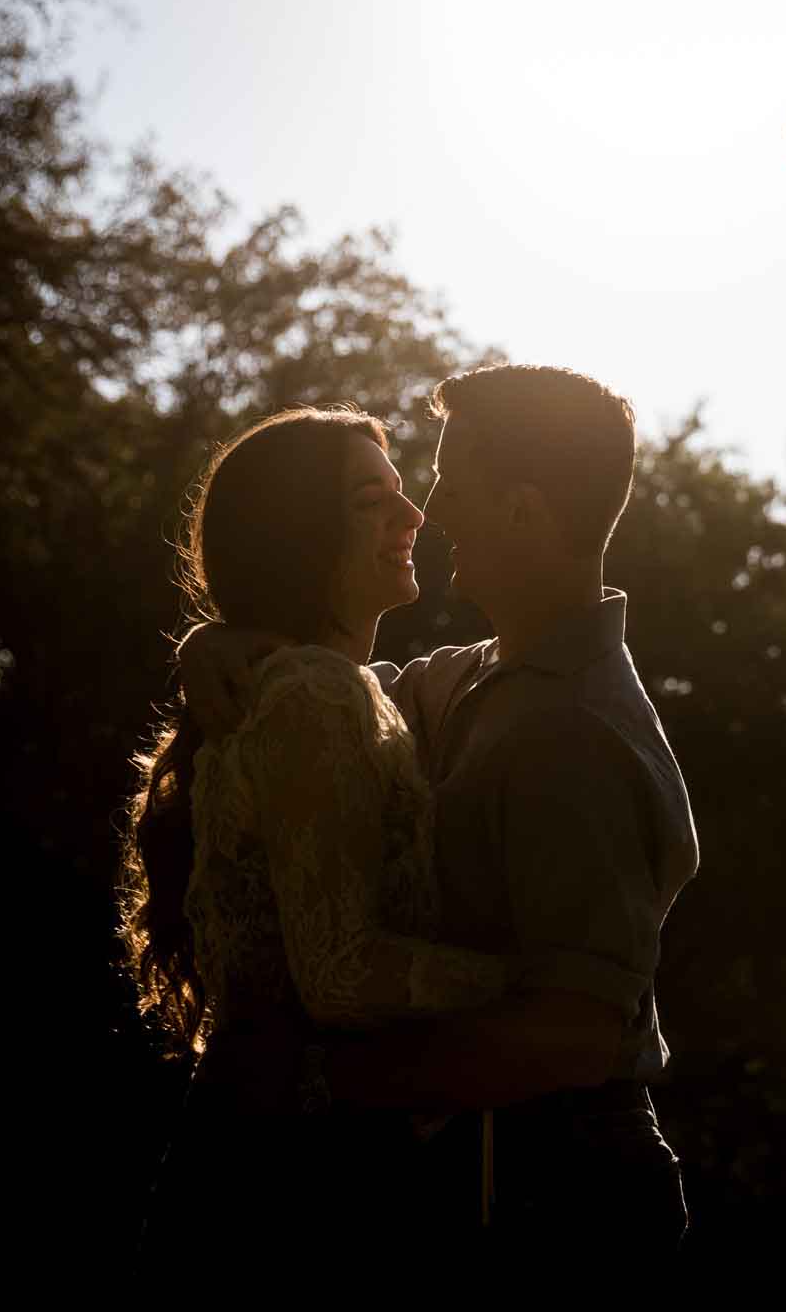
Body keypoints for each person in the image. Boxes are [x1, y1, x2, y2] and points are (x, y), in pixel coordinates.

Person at [178, 365, 699, 1273]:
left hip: (569, 1188)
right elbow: (328, 712)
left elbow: (573, 1037)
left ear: (523, 511)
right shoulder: (470, 674)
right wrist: (218, 640)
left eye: (452, 482)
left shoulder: (571, 731)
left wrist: (311, 1081)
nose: (432, 508)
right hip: (492, 1166)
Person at [120, 406, 513, 1281]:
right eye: (373, 500)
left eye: (402, 493)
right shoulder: (312, 694)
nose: (414, 516)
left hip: (273, 1152)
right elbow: (338, 970)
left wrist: (208, 637)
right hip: (297, 1183)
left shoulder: (332, 687)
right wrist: (523, 979)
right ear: (303, 534)